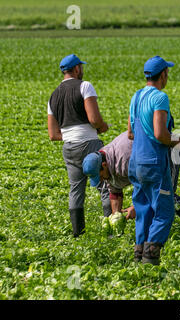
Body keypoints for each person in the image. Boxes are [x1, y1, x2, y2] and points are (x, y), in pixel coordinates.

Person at [82, 131, 180, 245]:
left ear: (104, 165)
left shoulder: (124, 160)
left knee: (166, 193)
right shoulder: (104, 159)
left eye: (100, 176)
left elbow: (146, 186)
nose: (102, 180)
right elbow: (114, 190)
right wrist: (116, 217)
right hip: (148, 156)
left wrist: (136, 207)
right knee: (158, 197)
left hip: (167, 149)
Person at [47, 54, 111, 238]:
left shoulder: (53, 96)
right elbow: (94, 119)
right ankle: (110, 231)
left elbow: (53, 134)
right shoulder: (84, 86)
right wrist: (102, 127)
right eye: (80, 68)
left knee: (75, 190)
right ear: (76, 69)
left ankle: (78, 234)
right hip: (89, 144)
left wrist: (71, 134)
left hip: (69, 148)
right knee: (105, 186)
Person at [127, 56, 180, 265]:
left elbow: (131, 133)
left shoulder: (137, 96)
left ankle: (138, 255)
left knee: (143, 210)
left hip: (136, 163)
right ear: (163, 75)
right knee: (164, 211)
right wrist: (176, 140)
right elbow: (160, 134)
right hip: (153, 162)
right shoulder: (160, 98)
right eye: (167, 73)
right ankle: (150, 259)